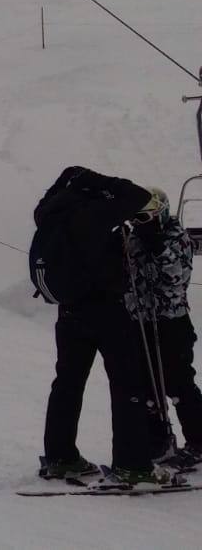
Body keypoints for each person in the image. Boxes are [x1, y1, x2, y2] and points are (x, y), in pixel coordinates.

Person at [34, 168, 179, 487]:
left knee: (68, 383)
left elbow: (66, 179)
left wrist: (76, 178)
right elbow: (139, 197)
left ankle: (60, 457)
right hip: (105, 308)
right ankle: (133, 465)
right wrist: (98, 182)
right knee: (129, 384)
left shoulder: (50, 211)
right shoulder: (95, 211)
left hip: (69, 310)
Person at [125, 189, 202, 469]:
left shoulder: (177, 237)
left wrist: (158, 247)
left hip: (171, 321)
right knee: (147, 386)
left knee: (178, 382)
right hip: (141, 320)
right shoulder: (134, 238)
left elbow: (176, 279)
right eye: (137, 219)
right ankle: (157, 440)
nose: (141, 224)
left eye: (146, 217)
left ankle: (198, 439)